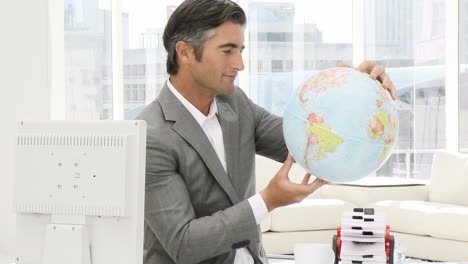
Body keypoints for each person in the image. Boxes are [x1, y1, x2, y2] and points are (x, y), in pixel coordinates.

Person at [137, 0, 397, 263]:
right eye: (227, 51)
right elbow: (184, 244)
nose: (240, 64)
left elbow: (306, 141)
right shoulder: (151, 135)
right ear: (185, 52)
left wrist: (354, 95)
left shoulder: (235, 104)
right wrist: (267, 201)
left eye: (240, 50)